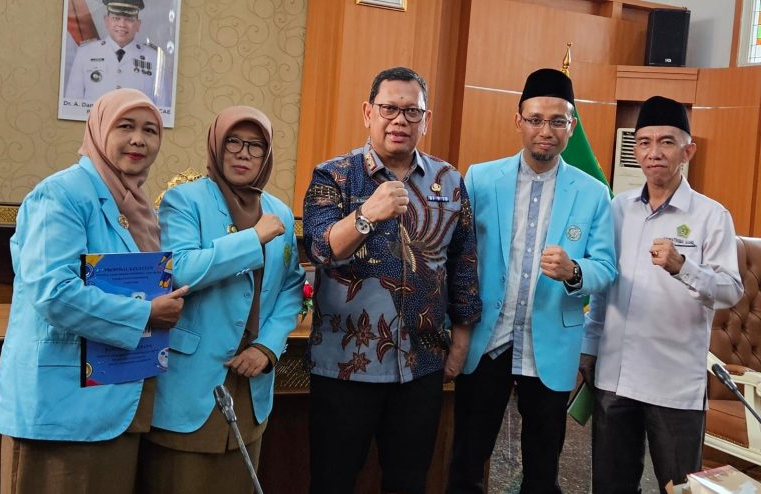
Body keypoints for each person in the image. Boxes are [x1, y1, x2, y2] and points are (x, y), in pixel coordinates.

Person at [0, 88, 187, 494]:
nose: (138, 140)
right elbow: (53, 292)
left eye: (150, 130)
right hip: (60, 411)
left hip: (117, 404)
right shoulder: (61, 194)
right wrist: (145, 314)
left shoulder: (137, 205)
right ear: (98, 130)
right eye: (125, 126)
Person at [302, 66, 482, 494]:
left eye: (411, 111)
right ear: (368, 112)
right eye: (389, 109)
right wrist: (367, 214)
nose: (400, 120)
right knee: (332, 482)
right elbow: (320, 249)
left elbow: (463, 264)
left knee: (409, 482)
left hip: (420, 367)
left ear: (426, 119)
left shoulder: (449, 181)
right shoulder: (334, 175)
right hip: (344, 367)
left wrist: (460, 343)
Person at [448, 68, 617, 494]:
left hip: (550, 346)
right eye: (536, 119)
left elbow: (606, 268)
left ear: (571, 126)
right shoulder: (481, 179)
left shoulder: (594, 192)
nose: (546, 131)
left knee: (542, 470)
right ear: (518, 120)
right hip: (489, 339)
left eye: (558, 121)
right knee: (466, 460)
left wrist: (574, 271)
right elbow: (458, 255)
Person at [139, 106, 304, 494]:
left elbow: (291, 286)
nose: (243, 153)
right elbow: (179, 270)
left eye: (255, 146)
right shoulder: (184, 201)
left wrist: (267, 347)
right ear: (216, 145)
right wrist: (253, 239)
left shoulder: (279, 212)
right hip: (192, 382)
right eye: (233, 142)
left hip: (250, 384)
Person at [584, 95, 744, 493]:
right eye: (644, 142)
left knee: (680, 488)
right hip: (615, 377)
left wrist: (683, 267)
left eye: (667, 142)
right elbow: (603, 286)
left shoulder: (711, 216)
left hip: (673, 384)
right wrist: (588, 348)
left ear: (688, 151)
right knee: (610, 486)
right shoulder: (617, 209)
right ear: (635, 150)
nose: (654, 152)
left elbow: (731, 290)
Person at [65, 0, 166, 106]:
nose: (122, 24)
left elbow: (162, 108)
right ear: (106, 21)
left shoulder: (154, 58)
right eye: (116, 18)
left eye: (129, 19)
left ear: (138, 25)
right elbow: (71, 103)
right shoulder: (85, 53)